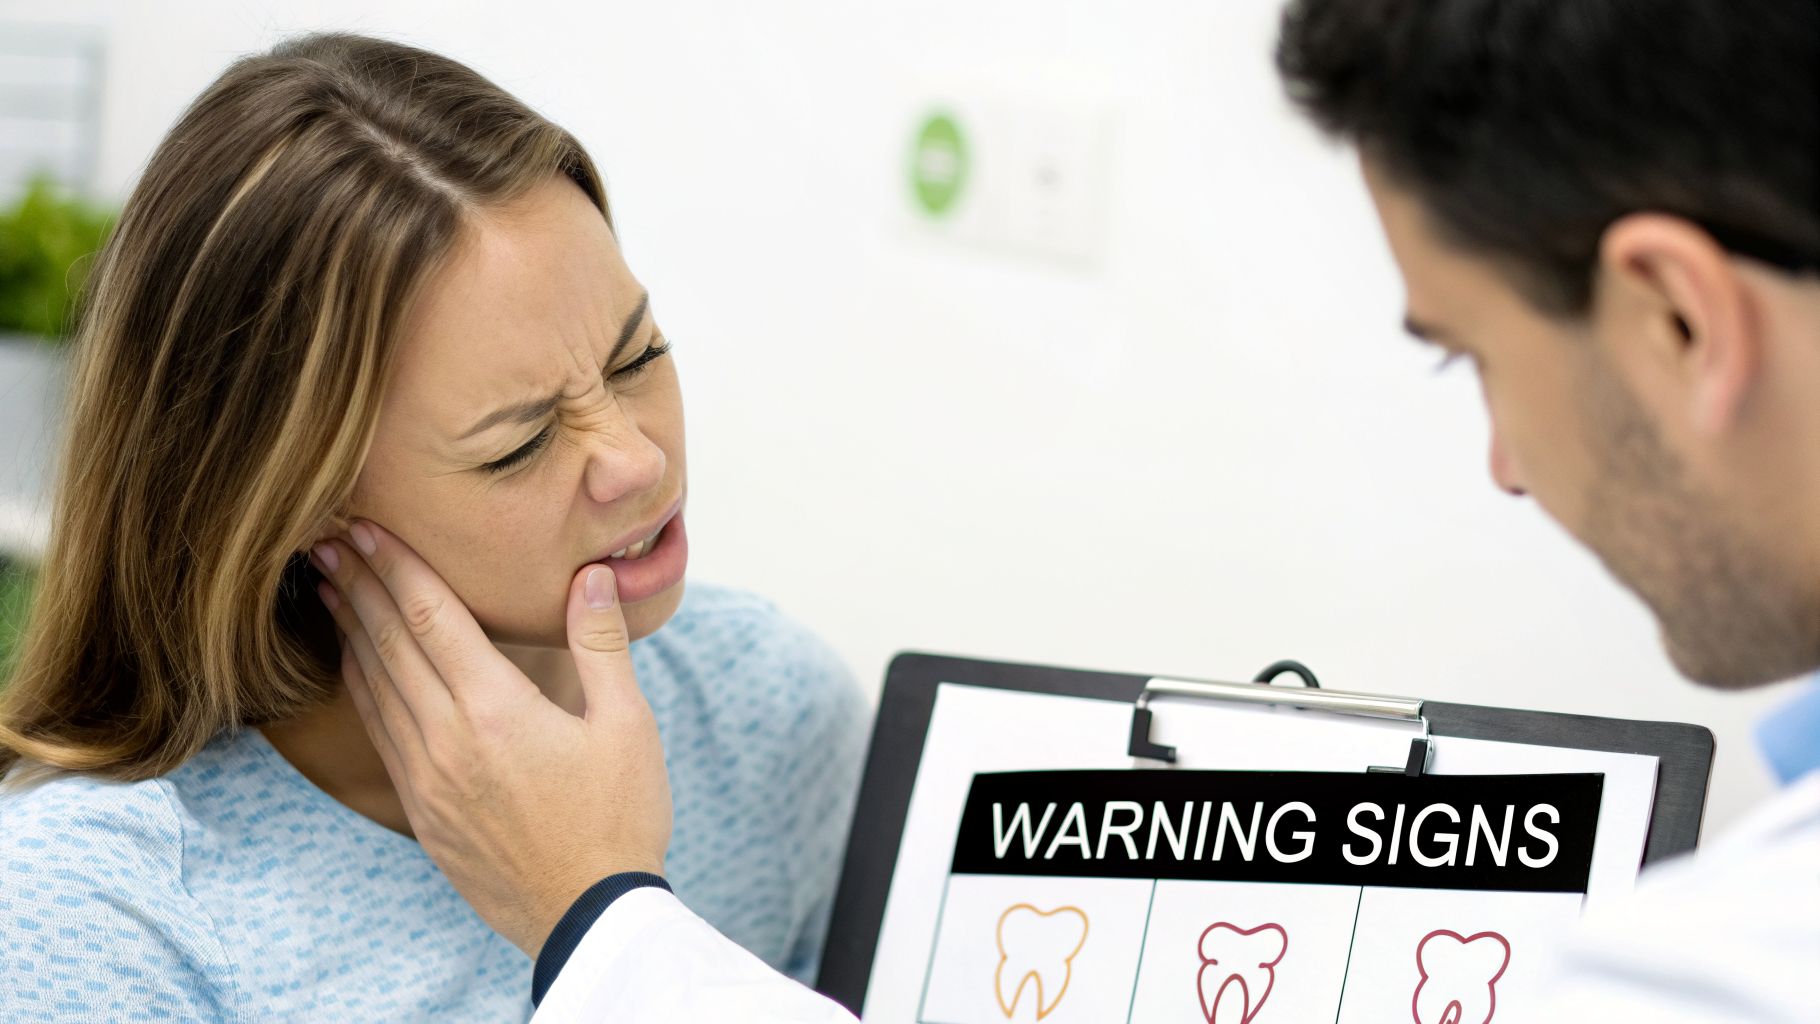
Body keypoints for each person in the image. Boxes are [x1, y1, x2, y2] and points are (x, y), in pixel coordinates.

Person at [346, 1, 1820, 1021]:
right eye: (520, 437)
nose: (1503, 461)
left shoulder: (1730, 969)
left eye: (1475, 354)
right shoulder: (125, 889)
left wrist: (607, 924)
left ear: (1679, 320)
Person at [0, 31, 867, 1023]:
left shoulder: (773, 713)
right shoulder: (92, 914)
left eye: (636, 357)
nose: (637, 460)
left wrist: (597, 902)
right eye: (521, 442)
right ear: (293, 503)